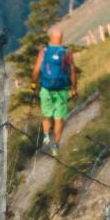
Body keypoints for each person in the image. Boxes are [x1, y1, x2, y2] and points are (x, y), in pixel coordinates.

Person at [37, 25, 76, 155]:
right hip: (61, 90)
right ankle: (56, 145)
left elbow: (36, 70)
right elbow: (72, 73)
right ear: (61, 39)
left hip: (46, 89)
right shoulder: (66, 53)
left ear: (51, 38)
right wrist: (74, 88)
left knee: (47, 114)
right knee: (59, 118)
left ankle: (46, 136)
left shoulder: (44, 51)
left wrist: (33, 83)